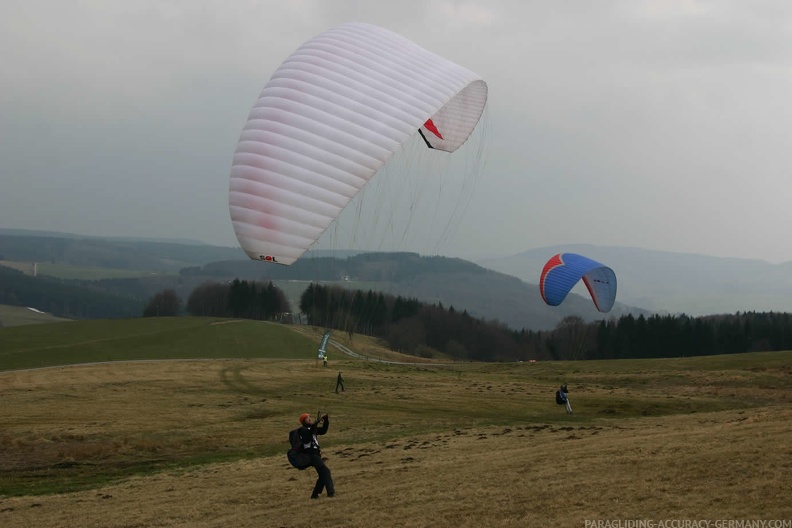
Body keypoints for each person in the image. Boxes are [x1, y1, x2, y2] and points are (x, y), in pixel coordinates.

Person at [297, 412, 335, 499]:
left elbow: (323, 431)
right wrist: (314, 426)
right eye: (307, 418)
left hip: (316, 454)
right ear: (303, 421)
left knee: (322, 474)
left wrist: (326, 421)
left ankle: (314, 495)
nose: (310, 419)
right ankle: (331, 493)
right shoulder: (302, 430)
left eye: (310, 417)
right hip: (311, 455)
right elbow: (306, 439)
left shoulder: (312, 428)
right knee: (326, 471)